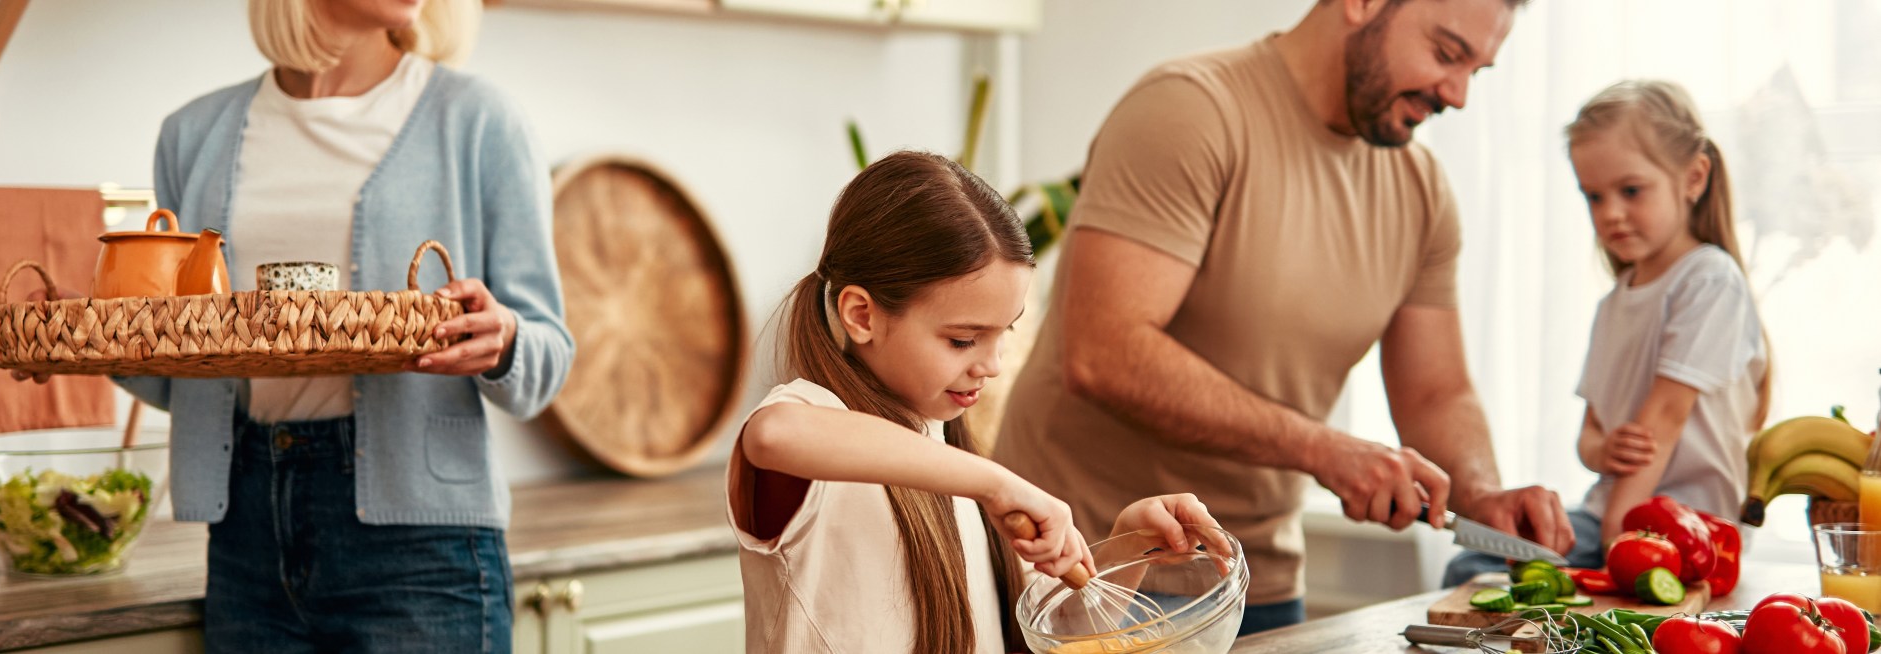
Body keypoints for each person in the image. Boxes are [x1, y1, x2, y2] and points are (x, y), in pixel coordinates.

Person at [990, 0, 1570, 633]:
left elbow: (1436, 390)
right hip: (1085, 571)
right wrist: (1326, 451)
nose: (1457, 94)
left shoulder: (1422, 189)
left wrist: (1482, 495)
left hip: (1255, 582)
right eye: (1446, 53)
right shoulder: (1189, 110)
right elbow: (1104, 352)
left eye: (1476, 72)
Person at [15, 0, 573, 650]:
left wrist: (504, 339)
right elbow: (191, 369)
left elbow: (548, 353)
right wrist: (85, 336)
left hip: (422, 548)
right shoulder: (192, 135)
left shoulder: (480, 120)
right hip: (245, 536)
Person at [729, 150, 1226, 653]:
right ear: (861, 315)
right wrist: (995, 484)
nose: (990, 365)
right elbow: (773, 435)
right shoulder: (814, 427)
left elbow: (1055, 637)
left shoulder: (949, 454)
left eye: (1003, 333)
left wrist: (1129, 546)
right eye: (963, 340)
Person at [1444, 80, 1769, 584]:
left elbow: (1663, 420)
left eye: (1631, 191)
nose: (1609, 213)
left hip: (1689, 526)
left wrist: (1621, 543)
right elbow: (1590, 433)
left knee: (1481, 572)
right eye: (1593, 196)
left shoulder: (1708, 279)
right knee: (1475, 566)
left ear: (1693, 177)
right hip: (1609, 513)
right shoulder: (1614, 302)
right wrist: (1603, 450)